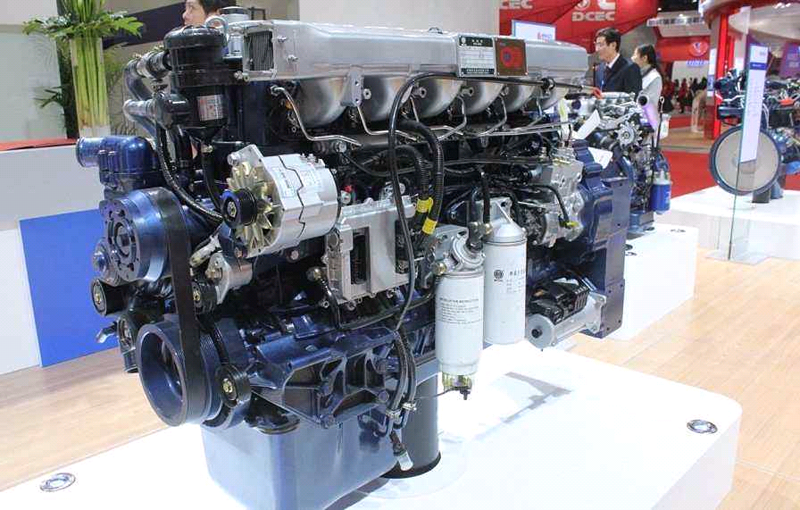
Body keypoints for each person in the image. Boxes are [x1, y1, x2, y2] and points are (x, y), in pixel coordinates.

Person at [595, 28, 642, 94]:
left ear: (613, 45)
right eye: (596, 45)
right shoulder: (600, 68)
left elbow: (633, 97)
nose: (597, 49)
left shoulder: (630, 68)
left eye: (600, 45)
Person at [632, 44, 663, 111]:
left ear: (644, 58)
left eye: (635, 55)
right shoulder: (637, 74)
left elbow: (649, 104)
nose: (632, 58)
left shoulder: (655, 78)